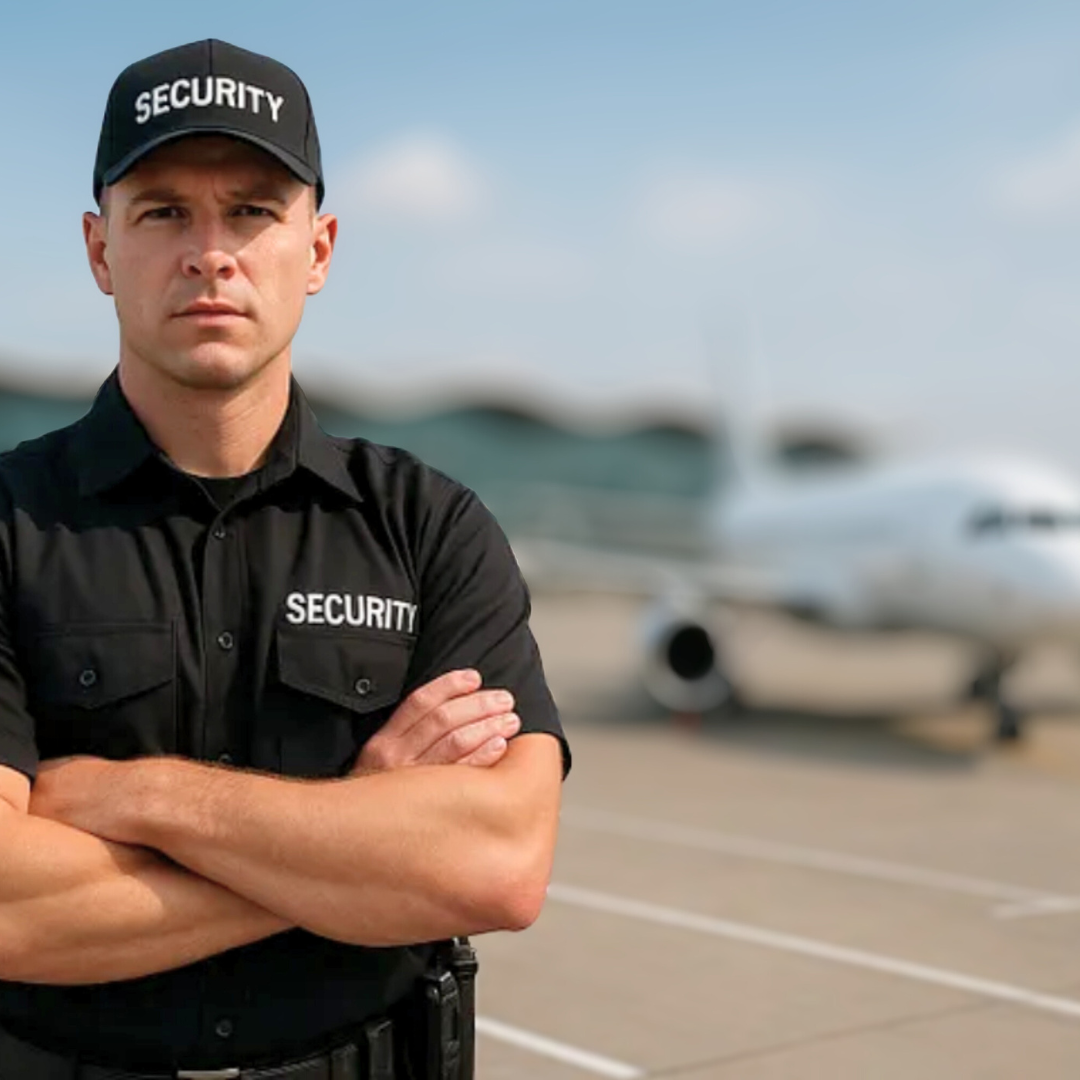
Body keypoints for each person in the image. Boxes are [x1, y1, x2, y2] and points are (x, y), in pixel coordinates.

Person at [0, 38, 568, 1080]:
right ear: (97, 248)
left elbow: (496, 865)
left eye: (253, 211)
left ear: (318, 248)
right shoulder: (5, 525)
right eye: (163, 210)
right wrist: (363, 838)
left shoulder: (429, 527)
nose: (209, 252)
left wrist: (140, 800)